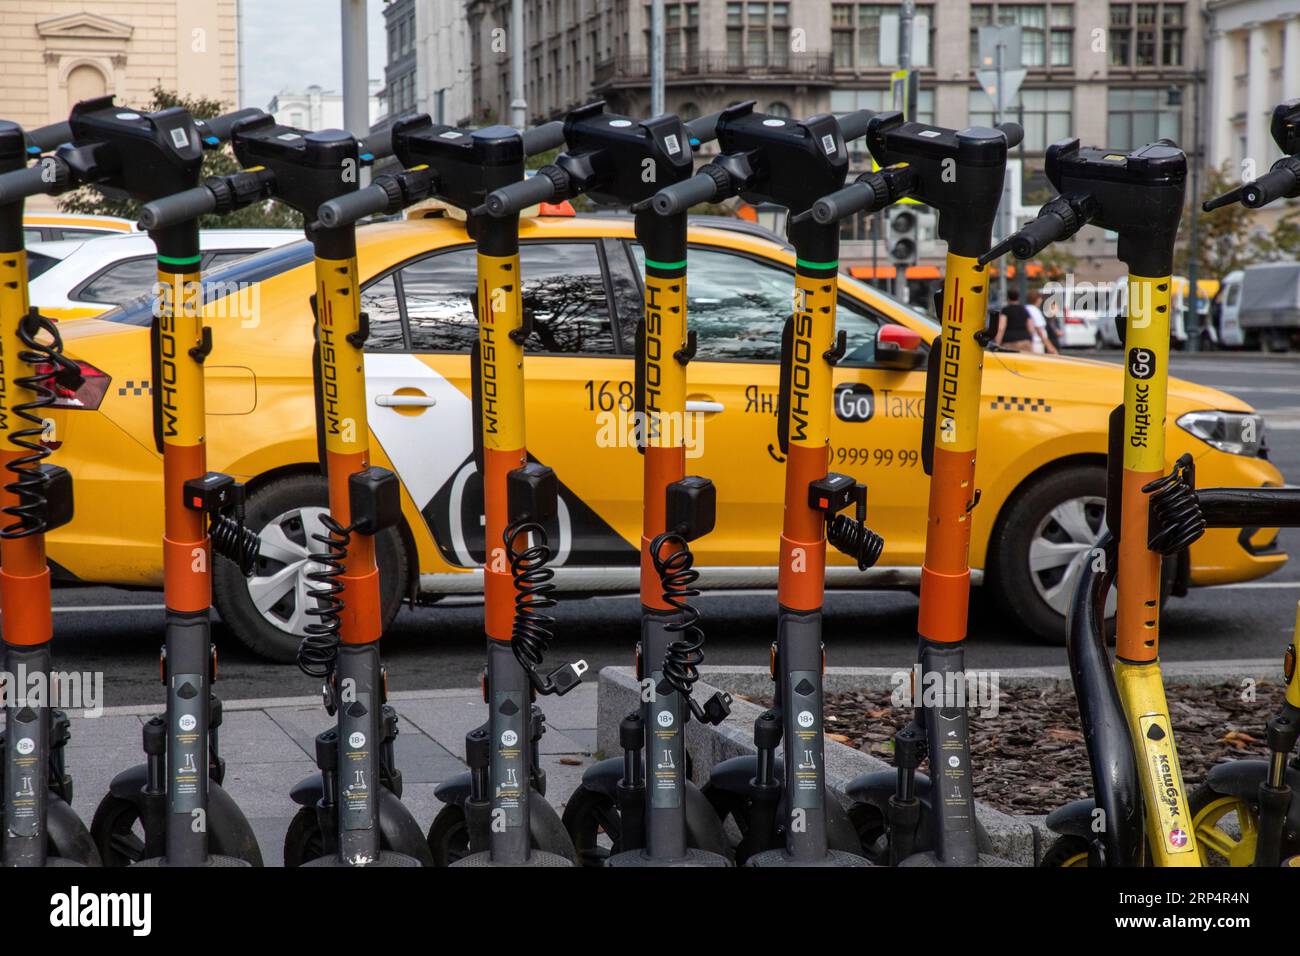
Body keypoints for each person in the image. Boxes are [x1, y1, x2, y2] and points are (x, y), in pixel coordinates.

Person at [994, 289, 1055, 353]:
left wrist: (997, 344)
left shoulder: (1006, 310)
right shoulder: (1024, 310)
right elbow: (1031, 328)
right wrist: (1030, 339)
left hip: (1009, 342)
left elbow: (1001, 328)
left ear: (1008, 298)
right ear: (1018, 298)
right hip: (1025, 341)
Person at [1025, 289, 1059, 354]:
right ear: (1037, 299)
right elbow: (1039, 330)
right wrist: (1049, 346)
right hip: (1036, 343)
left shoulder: (1025, 308)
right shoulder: (1035, 311)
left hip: (1027, 342)